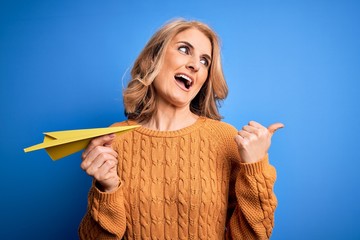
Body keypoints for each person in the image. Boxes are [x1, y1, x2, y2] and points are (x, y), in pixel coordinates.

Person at [78, 18, 283, 240]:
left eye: (205, 61)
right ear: (154, 57)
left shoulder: (225, 139)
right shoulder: (114, 138)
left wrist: (255, 168)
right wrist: (105, 189)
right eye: (184, 49)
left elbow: (255, 235)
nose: (195, 65)